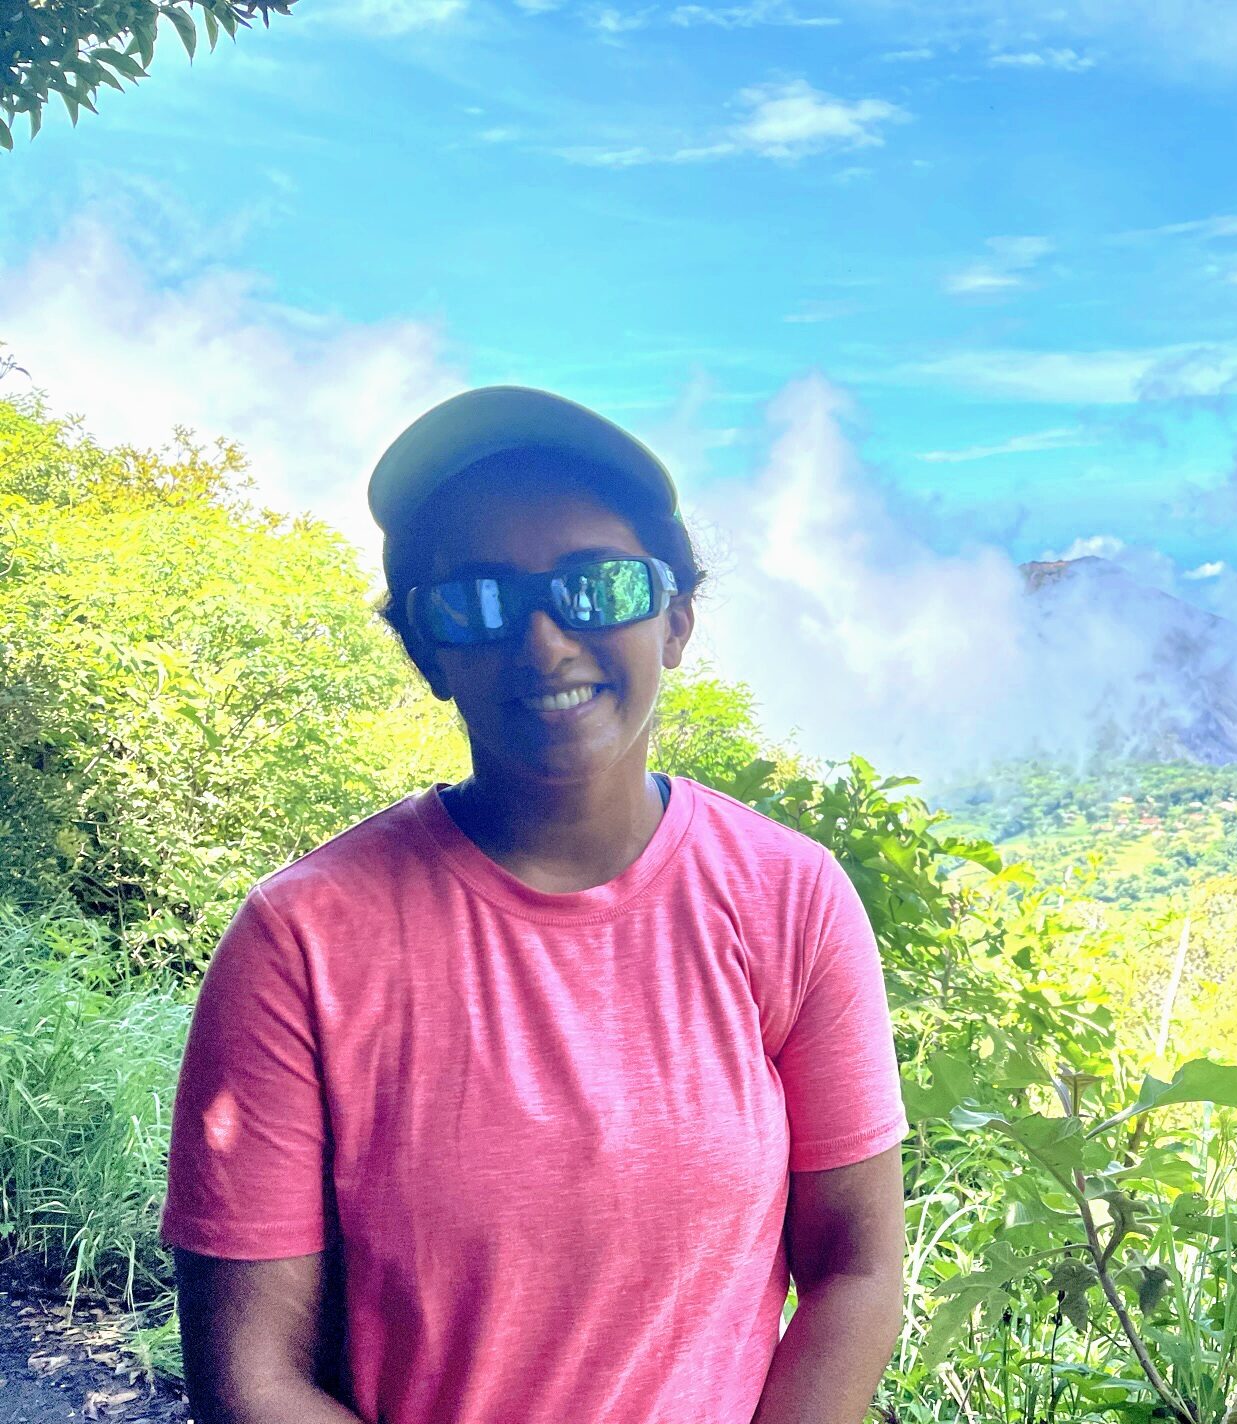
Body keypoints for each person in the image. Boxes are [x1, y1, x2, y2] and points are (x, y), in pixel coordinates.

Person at [160, 386, 910, 1424]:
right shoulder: (302, 941)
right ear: (428, 650)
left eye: (595, 586)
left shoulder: (787, 899)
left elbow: (857, 1265)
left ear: (675, 620)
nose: (545, 636)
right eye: (477, 597)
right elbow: (251, 1376)